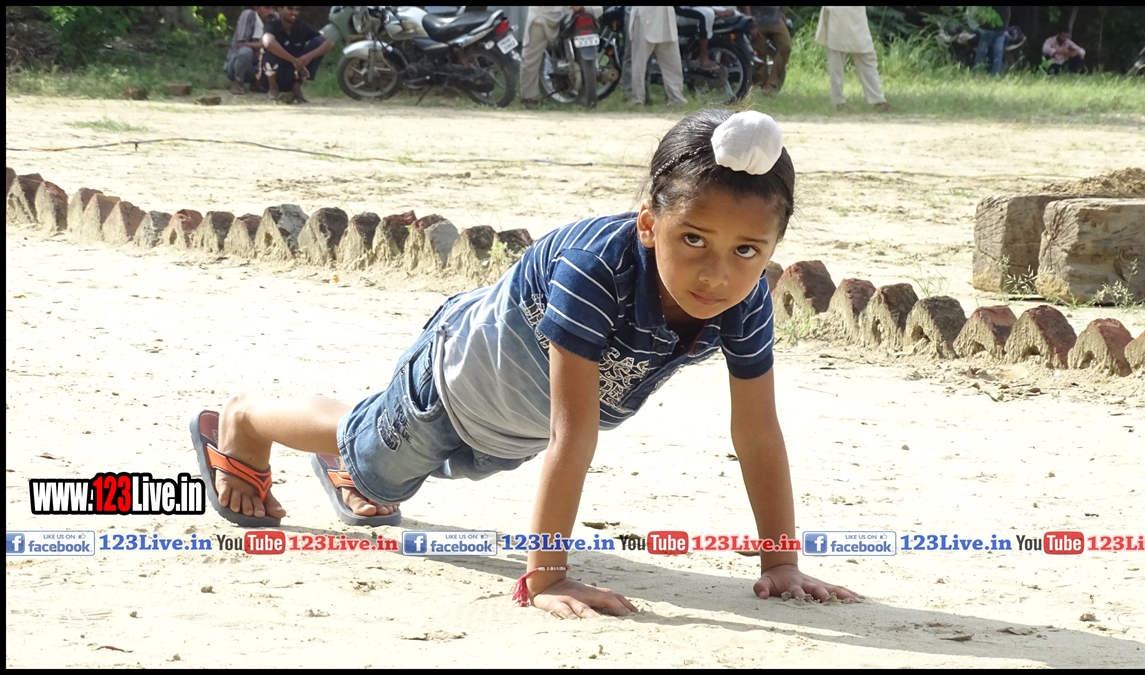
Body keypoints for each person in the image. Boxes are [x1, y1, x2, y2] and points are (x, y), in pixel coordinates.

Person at [190, 108, 860, 618]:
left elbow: (757, 431)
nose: (717, 273)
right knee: (372, 464)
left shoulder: (746, 301)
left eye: (746, 250)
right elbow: (575, 433)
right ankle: (246, 420)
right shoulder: (594, 270)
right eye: (693, 239)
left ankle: (356, 453)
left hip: (515, 427)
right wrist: (546, 575)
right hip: (451, 384)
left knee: (402, 464)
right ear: (648, 223)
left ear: (773, 245)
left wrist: (781, 561)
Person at [518, 6, 603, 109]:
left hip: (562, 13)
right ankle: (528, 97)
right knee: (531, 58)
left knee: (531, 58)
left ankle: (528, 99)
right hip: (546, 14)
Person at [815, 6, 889, 112]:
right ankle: (839, 102)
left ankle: (878, 100)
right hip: (839, 12)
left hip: (855, 13)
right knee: (837, 57)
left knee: (865, 55)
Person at [259, 5, 336, 103]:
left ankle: (296, 88)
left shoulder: (301, 27)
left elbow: (330, 43)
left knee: (318, 43)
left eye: (297, 10)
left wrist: (308, 57)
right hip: (272, 74)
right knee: (270, 50)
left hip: (295, 72)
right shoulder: (272, 25)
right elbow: (268, 42)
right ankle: (273, 88)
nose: (294, 13)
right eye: (290, 8)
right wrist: (294, 60)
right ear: (279, 10)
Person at [628, 6, 687, 106]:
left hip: (666, 18)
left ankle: (676, 99)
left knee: (673, 64)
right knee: (639, 63)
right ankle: (637, 100)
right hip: (644, 16)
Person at [224, 6, 277, 95]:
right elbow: (241, 44)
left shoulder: (275, 19)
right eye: (267, 8)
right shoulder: (249, 15)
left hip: (258, 68)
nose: (271, 12)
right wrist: (265, 44)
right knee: (246, 51)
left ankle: (258, 83)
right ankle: (238, 82)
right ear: (257, 8)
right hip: (236, 65)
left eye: (274, 8)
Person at [742, 5, 791, 95]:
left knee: (786, 47)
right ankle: (761, 84)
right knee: (759, 52)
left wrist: (782, 13)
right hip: (757, 21)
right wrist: (751, 23)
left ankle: (771, 83)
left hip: (776, 20)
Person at [678, 6, 736, 71]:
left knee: (735, 13)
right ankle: (703, 57)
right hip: (679, 11)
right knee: (707, 14)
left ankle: (725, 56)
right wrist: (717, 12)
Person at [969, 6, 1009, 76]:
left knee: (998, 52)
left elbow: (1008, 12)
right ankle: (978, 73)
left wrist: (1005, 26)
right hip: (987, 29)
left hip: (1000, 30)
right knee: (982, 51)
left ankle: (995, 74)